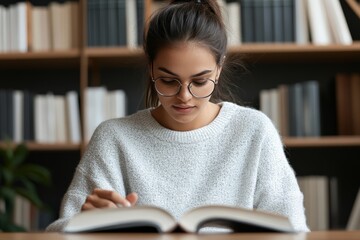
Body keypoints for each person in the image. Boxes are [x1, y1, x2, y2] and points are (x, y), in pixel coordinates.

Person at [46, 0, 309, 232]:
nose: (184, 96)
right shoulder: (114, 138)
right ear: (151, 68)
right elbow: (58, 231)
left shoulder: (254, 131)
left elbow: (295, 229)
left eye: (200, 81)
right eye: (169, 81)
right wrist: (84, 223)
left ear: (219, 68)